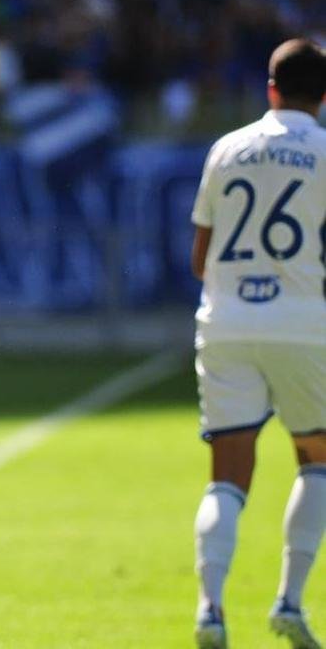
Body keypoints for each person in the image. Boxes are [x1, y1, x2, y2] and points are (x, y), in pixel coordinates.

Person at [190, 38, 326, 649]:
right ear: (322, 98)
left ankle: (210, 611)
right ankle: (290, 603)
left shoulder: (227, 148)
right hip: (306, 324)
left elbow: (201, 259)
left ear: (269, 88)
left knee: (227, 477)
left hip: (228, 321)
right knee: (318, 461)